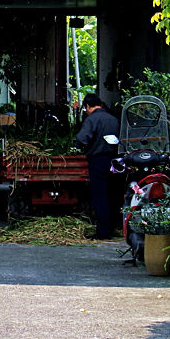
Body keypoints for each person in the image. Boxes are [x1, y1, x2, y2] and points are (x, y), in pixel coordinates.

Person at [76, 92, 122, 239]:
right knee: (113, 195)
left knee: (100, 196)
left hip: (98, 161)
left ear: (88, 106)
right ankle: (114, 227)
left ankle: (103, 232)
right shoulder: (114, 119)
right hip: (116, 161)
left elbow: (82, 139)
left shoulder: (92, 119)